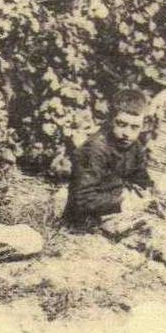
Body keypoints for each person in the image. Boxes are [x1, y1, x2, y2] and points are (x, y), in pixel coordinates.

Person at [61, 89, 154, 230]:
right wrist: (123, 203)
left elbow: (141, 179)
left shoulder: (134, 146)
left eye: (135, 127)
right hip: (86, 220)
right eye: (121, 124)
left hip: (114, 209)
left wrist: (147, 192)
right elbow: (82, 199)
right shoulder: (94, 149)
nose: (127, 133)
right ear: (111, 119)